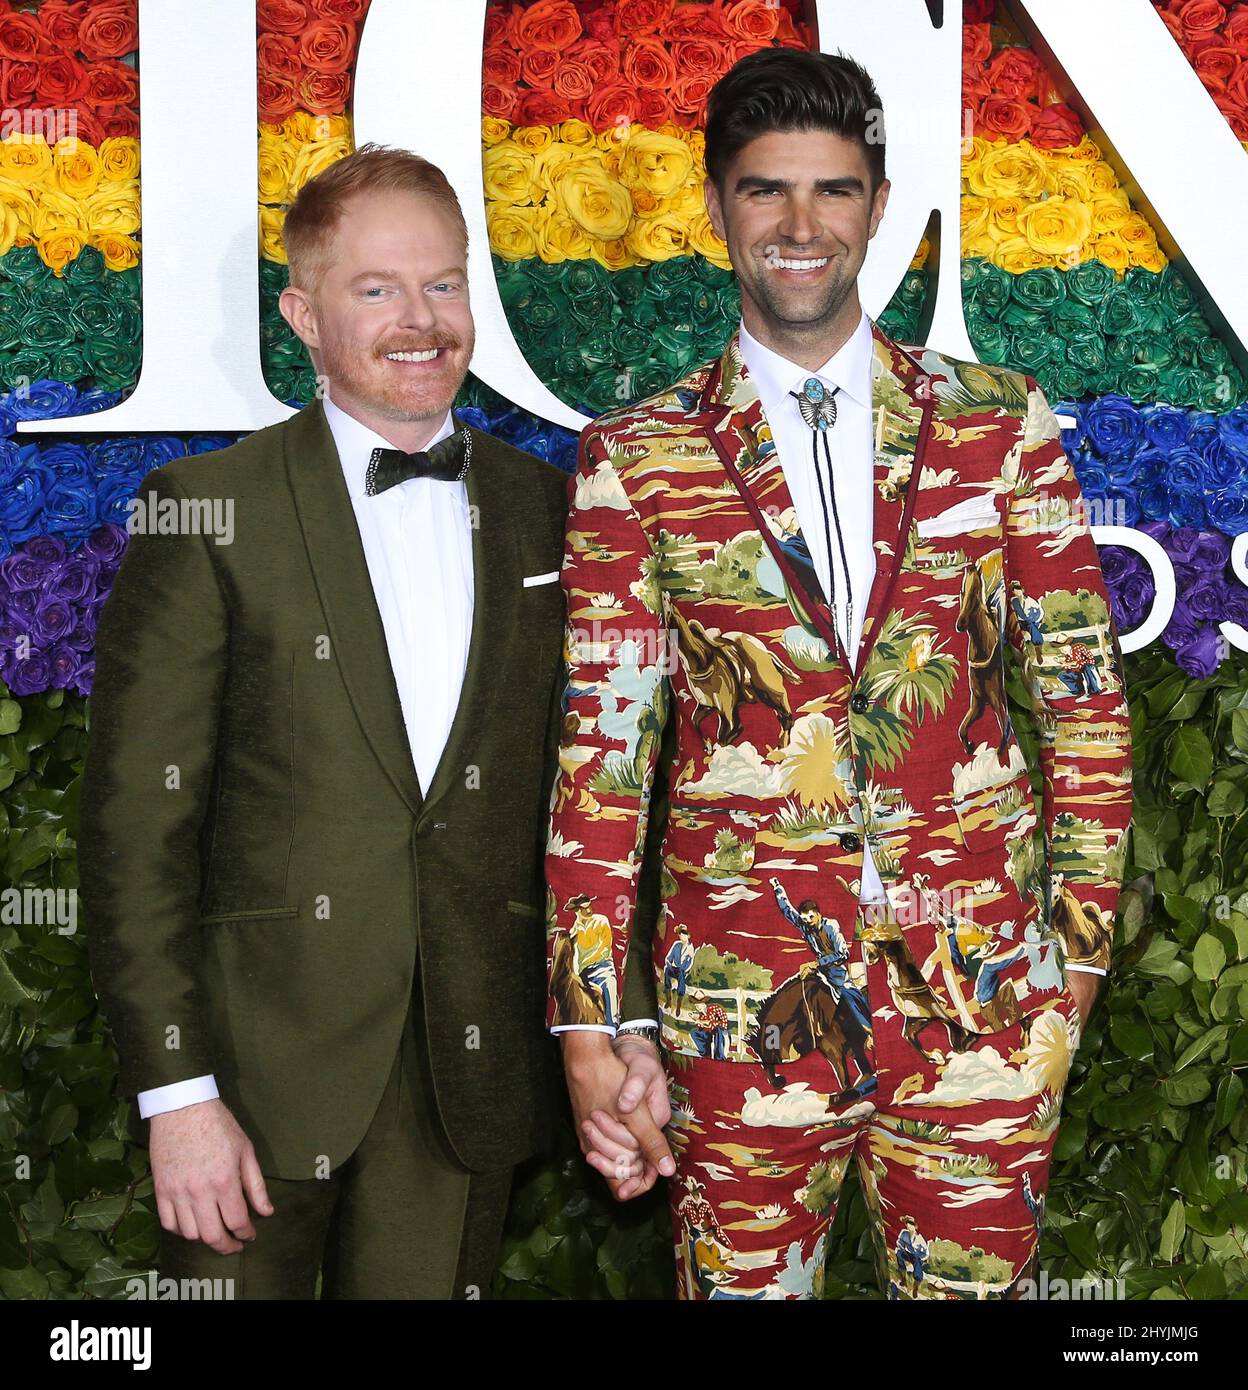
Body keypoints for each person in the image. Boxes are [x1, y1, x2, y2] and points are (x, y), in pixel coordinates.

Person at [544, 50, 1131, 1299]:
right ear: (715, 209)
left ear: (877, 203)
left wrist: (1068, 979)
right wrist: (589, 1020)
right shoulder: (634, 458)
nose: (801, 226)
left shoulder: (997, 418)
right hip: (740, 1017)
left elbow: (1083, 708)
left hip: (983, 1007)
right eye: (765, 191)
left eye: (833, 190)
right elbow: (604, 763)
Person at [80, 144, 569, 1299]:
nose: (422, 320)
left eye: (444, 284)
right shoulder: (211, 507)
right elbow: (133, 830)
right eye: (377, 288)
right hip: (250, 1080)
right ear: (301, 312)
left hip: (466, 1073)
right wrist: (177, 1095)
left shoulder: (545, 509)